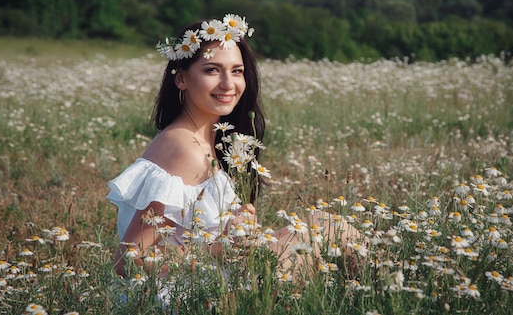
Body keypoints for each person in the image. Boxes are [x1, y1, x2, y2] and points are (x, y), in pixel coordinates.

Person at [106, 14, 361, 282]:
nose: (229, 84)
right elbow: (128, 261)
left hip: (210, 277)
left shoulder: (207, 139)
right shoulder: (184, 149)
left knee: (324, 223)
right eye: (212, 70)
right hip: (190, 294)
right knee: (321, 235)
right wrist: (218, 247)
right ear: (181, 79)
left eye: (236, 71)